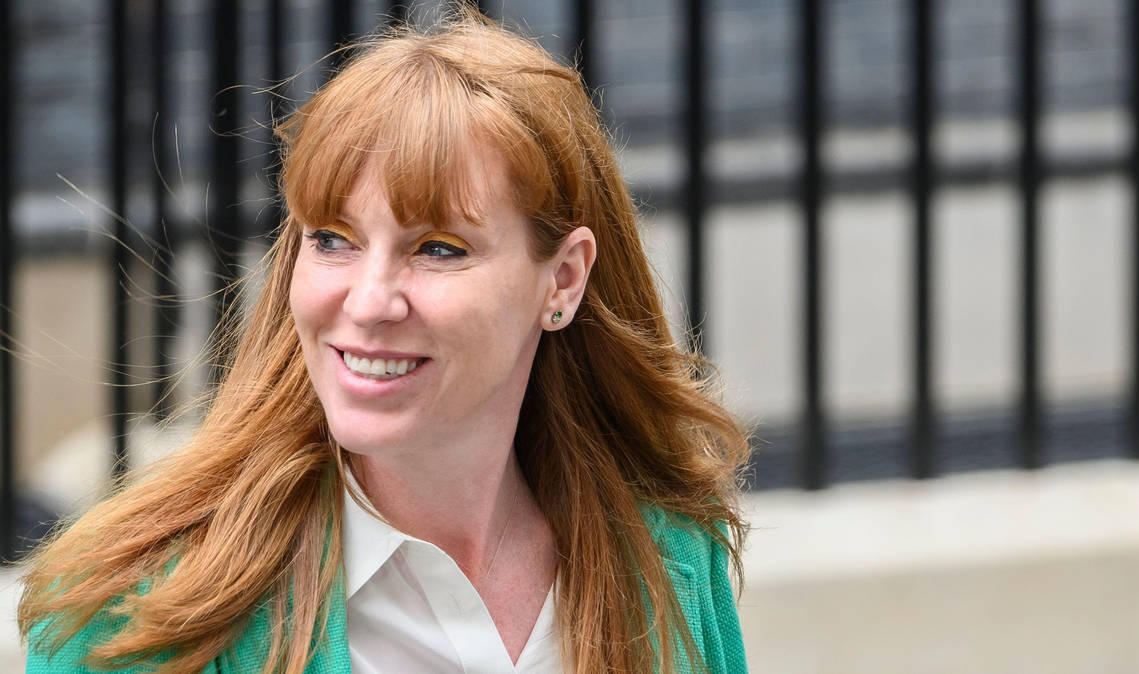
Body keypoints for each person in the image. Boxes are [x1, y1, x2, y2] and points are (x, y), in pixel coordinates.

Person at [19, 9, 749, 674]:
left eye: (437, 248)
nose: (368, 303)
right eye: (332, 239)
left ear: (563, 279)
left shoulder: (671, 560)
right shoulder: (133, 617)